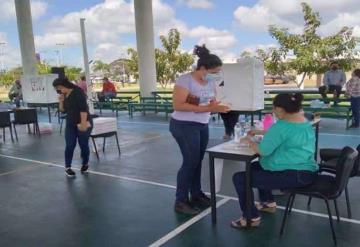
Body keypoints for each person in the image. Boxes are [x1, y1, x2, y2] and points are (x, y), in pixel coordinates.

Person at [231, 93, 318, 228]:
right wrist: (260, 132)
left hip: (292, 175)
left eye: (274, 109)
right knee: (255, 167)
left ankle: (250, 218)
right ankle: (267, 202)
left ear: (280, 109)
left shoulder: (282, 125)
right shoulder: (304, 120)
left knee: (239, 178)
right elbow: (286, 134)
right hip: (307, 171)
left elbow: (263, 151)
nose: (273, 112)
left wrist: (249, 141)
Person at [170, 44, 230, 215]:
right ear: (203, 68)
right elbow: (179, 105)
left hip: (202, 125)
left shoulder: (210, 83)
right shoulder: (185, 80)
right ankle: (180, 201)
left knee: (197, 161)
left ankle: (196, 194)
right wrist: (210, 109)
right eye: (214, 71)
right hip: (183, 125)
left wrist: (217, 106)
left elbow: (207, 102)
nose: (216, 75)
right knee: (190, 162)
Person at [53, 77, 92, 177]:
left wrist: (83, 124)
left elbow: (83, 109)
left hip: (83, 121)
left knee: (83, 145)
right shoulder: (65, 94)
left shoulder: (78, 92)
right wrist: (61, 101)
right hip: (70, 123)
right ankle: (68, 167)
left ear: (63, 85)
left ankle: (85, 164)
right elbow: (63, 110)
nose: (58, 91)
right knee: (70, 144)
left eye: (58, 88)